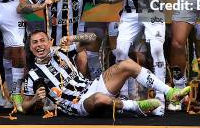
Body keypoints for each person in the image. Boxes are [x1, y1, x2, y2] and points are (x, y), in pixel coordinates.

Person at [22, 30, 190, 116]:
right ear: (30, 48)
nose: (39, 45)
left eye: (42, 40)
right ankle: (136, 107)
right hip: (79, 104)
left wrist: (73, 38)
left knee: (126, 64)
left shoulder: (61, 51)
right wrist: (36, 99)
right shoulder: (33, 75)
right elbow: (24, 107)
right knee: (99, 99)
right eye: (34, 42)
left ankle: (171, 93)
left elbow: (93, 38)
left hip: (94, 86)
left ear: (49, 41)